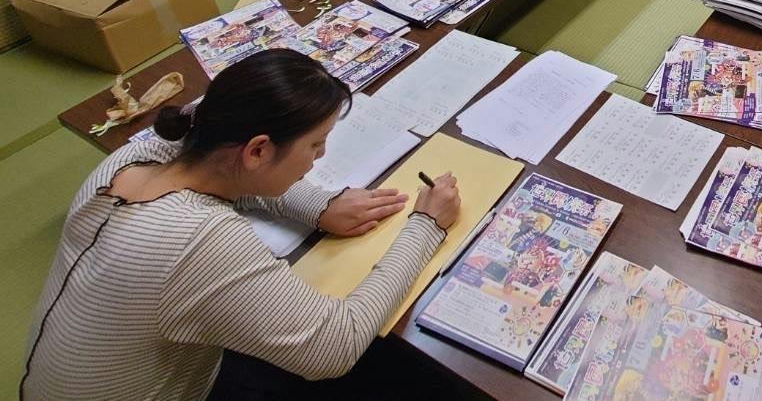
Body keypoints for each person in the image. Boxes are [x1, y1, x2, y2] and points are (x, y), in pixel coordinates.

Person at [22, 50, 462, 400]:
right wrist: (425, 225)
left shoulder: (135, 158)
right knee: (397, 370)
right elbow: (336, 345)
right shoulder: (199, 239)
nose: (320, 158)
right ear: (258, 151)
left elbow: (229, 174)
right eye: (315, 145)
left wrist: (318, 205)